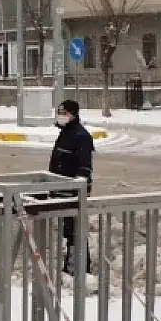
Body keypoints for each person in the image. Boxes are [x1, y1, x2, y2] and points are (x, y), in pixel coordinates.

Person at [48, 99, 94, 276]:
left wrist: (80, 190)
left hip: (73, 193)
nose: (61, 116)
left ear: (73, 114)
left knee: (76, 231)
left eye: (64, 113)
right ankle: (72, 265)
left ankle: (80, 268)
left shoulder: (81, 136)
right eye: (60, 113)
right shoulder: (65, 133)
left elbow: (84, 167)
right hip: (61, 191)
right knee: (69, 231)